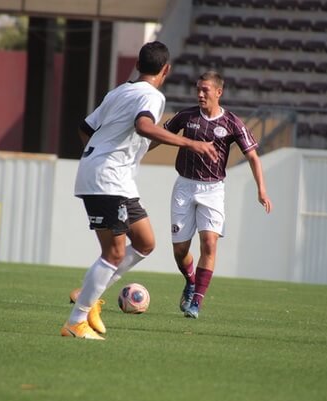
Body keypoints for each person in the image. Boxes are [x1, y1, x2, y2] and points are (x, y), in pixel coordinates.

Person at [61, 41, 218, 340]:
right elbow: (144, 126)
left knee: (145, 242)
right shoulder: (151, 95)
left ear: (137, 64)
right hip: (108, 179)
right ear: (166, 70)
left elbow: (86, 127)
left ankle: (89, 296)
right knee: (114, 252)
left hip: (112, 177)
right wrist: (191, 143)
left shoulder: (119, 91)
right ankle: (76, 319)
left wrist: (99, 156)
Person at [163, 70, 272, 319]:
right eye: (198, 89)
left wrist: (261, 190)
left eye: (205, 90)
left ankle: (196, 303)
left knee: (209, 243)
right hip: (184, 186)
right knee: (180, 250)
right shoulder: (187, 116)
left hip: (212, 189)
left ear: (218, 92)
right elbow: (163, 134)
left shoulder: (232, 122)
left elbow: (253, 156)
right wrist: (139, 151)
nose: (200, 94)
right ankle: (190, 281)